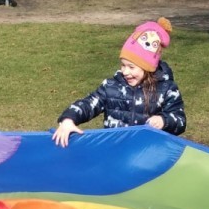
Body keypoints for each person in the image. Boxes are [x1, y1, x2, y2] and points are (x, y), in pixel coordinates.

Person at [52, 18, 185, 147]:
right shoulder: (111, 87)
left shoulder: (166, 89)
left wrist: (164, 120)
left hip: (148, 153)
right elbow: (88, 104)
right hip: (115, 150)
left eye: (131, 67)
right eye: (123, 65)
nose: (125, 72)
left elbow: (180, 120)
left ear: (147, 68)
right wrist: (69, 119)